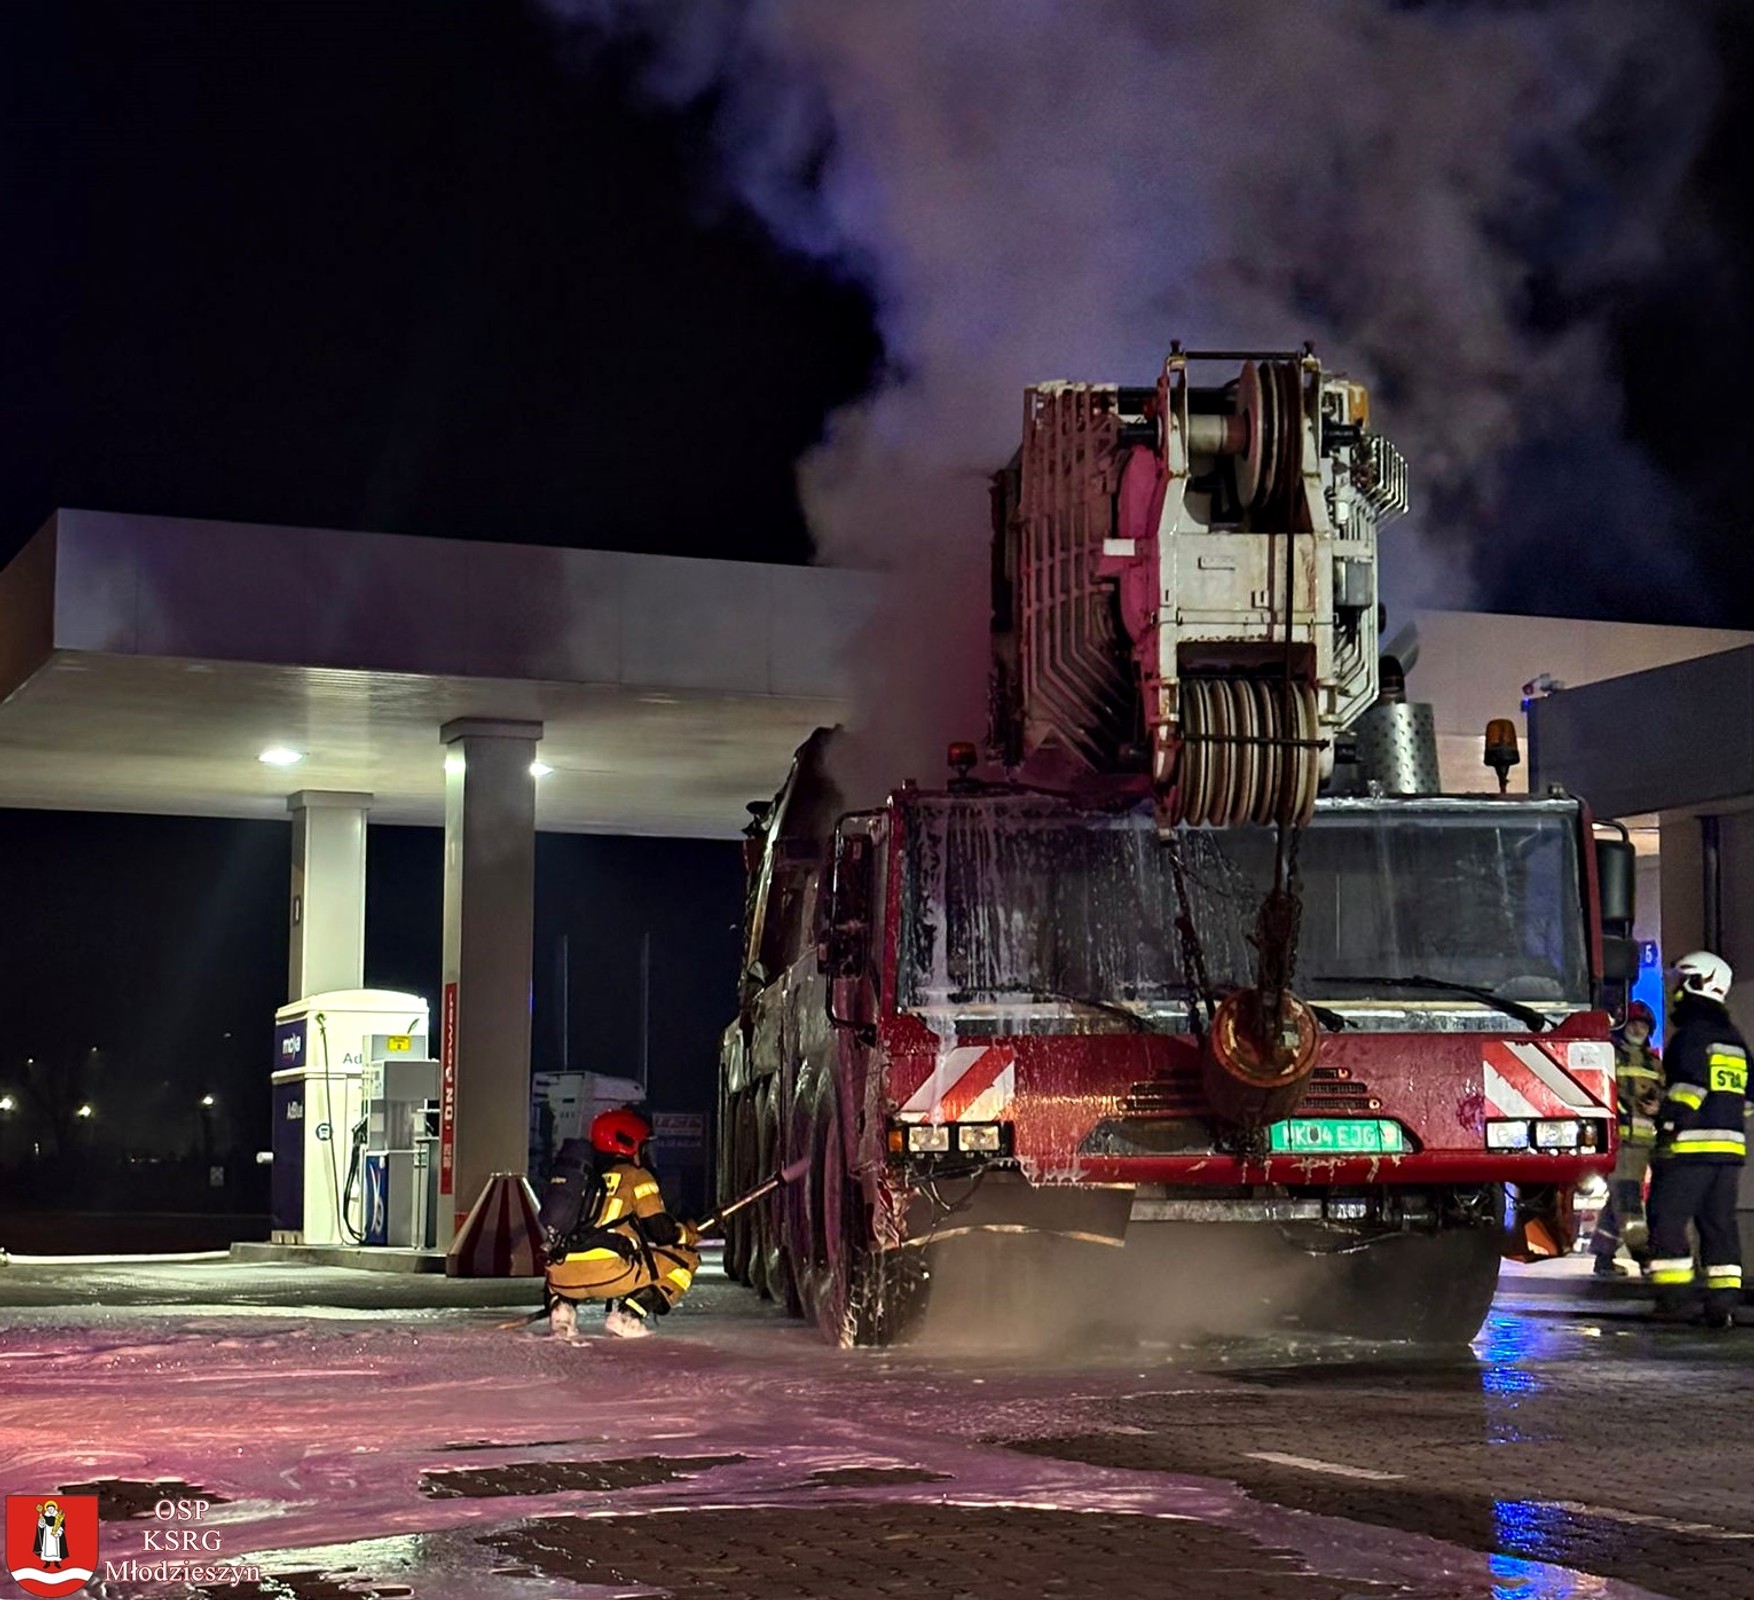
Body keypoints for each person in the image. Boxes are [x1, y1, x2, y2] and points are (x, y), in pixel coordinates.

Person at [1646, 952, 1750, 1328]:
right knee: (1719, 1226)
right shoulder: (1735, 1040)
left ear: (1697, 982)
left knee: (1667, 1219)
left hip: (1689, 1149)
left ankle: (1674, 1301)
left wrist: (1666, 1120)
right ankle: (1723, 1304)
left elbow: (1689, 1088)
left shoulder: (1692, 1036)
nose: (1675, 989)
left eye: (1680, 980)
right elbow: (1747, 1100)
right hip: (1729, 1153)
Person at [539, 1107, 700, 1341]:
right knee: (686, 1260)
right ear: (629, 1143)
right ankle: (628, 1316)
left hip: (562, 1279)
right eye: (643, 1146)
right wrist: (689, 1234)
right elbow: (662, 1232)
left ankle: (561, 1313)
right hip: (610, 1273)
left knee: (564, 1263)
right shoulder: (637, 1176)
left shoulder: (582, 1179)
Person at [1591, 1000, 1664, 1276]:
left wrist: (1659, 1104)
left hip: (1642, 1145)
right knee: (1628, 1198)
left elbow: (1664, 1093)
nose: (1638, 1029)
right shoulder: (1609, 1055)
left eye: (1643, 1025)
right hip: (1617, 1141)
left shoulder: (1654, 1063)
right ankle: (1643, 1255)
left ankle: (1603, 1256)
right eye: (1633, 1023)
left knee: (1618, 1201)